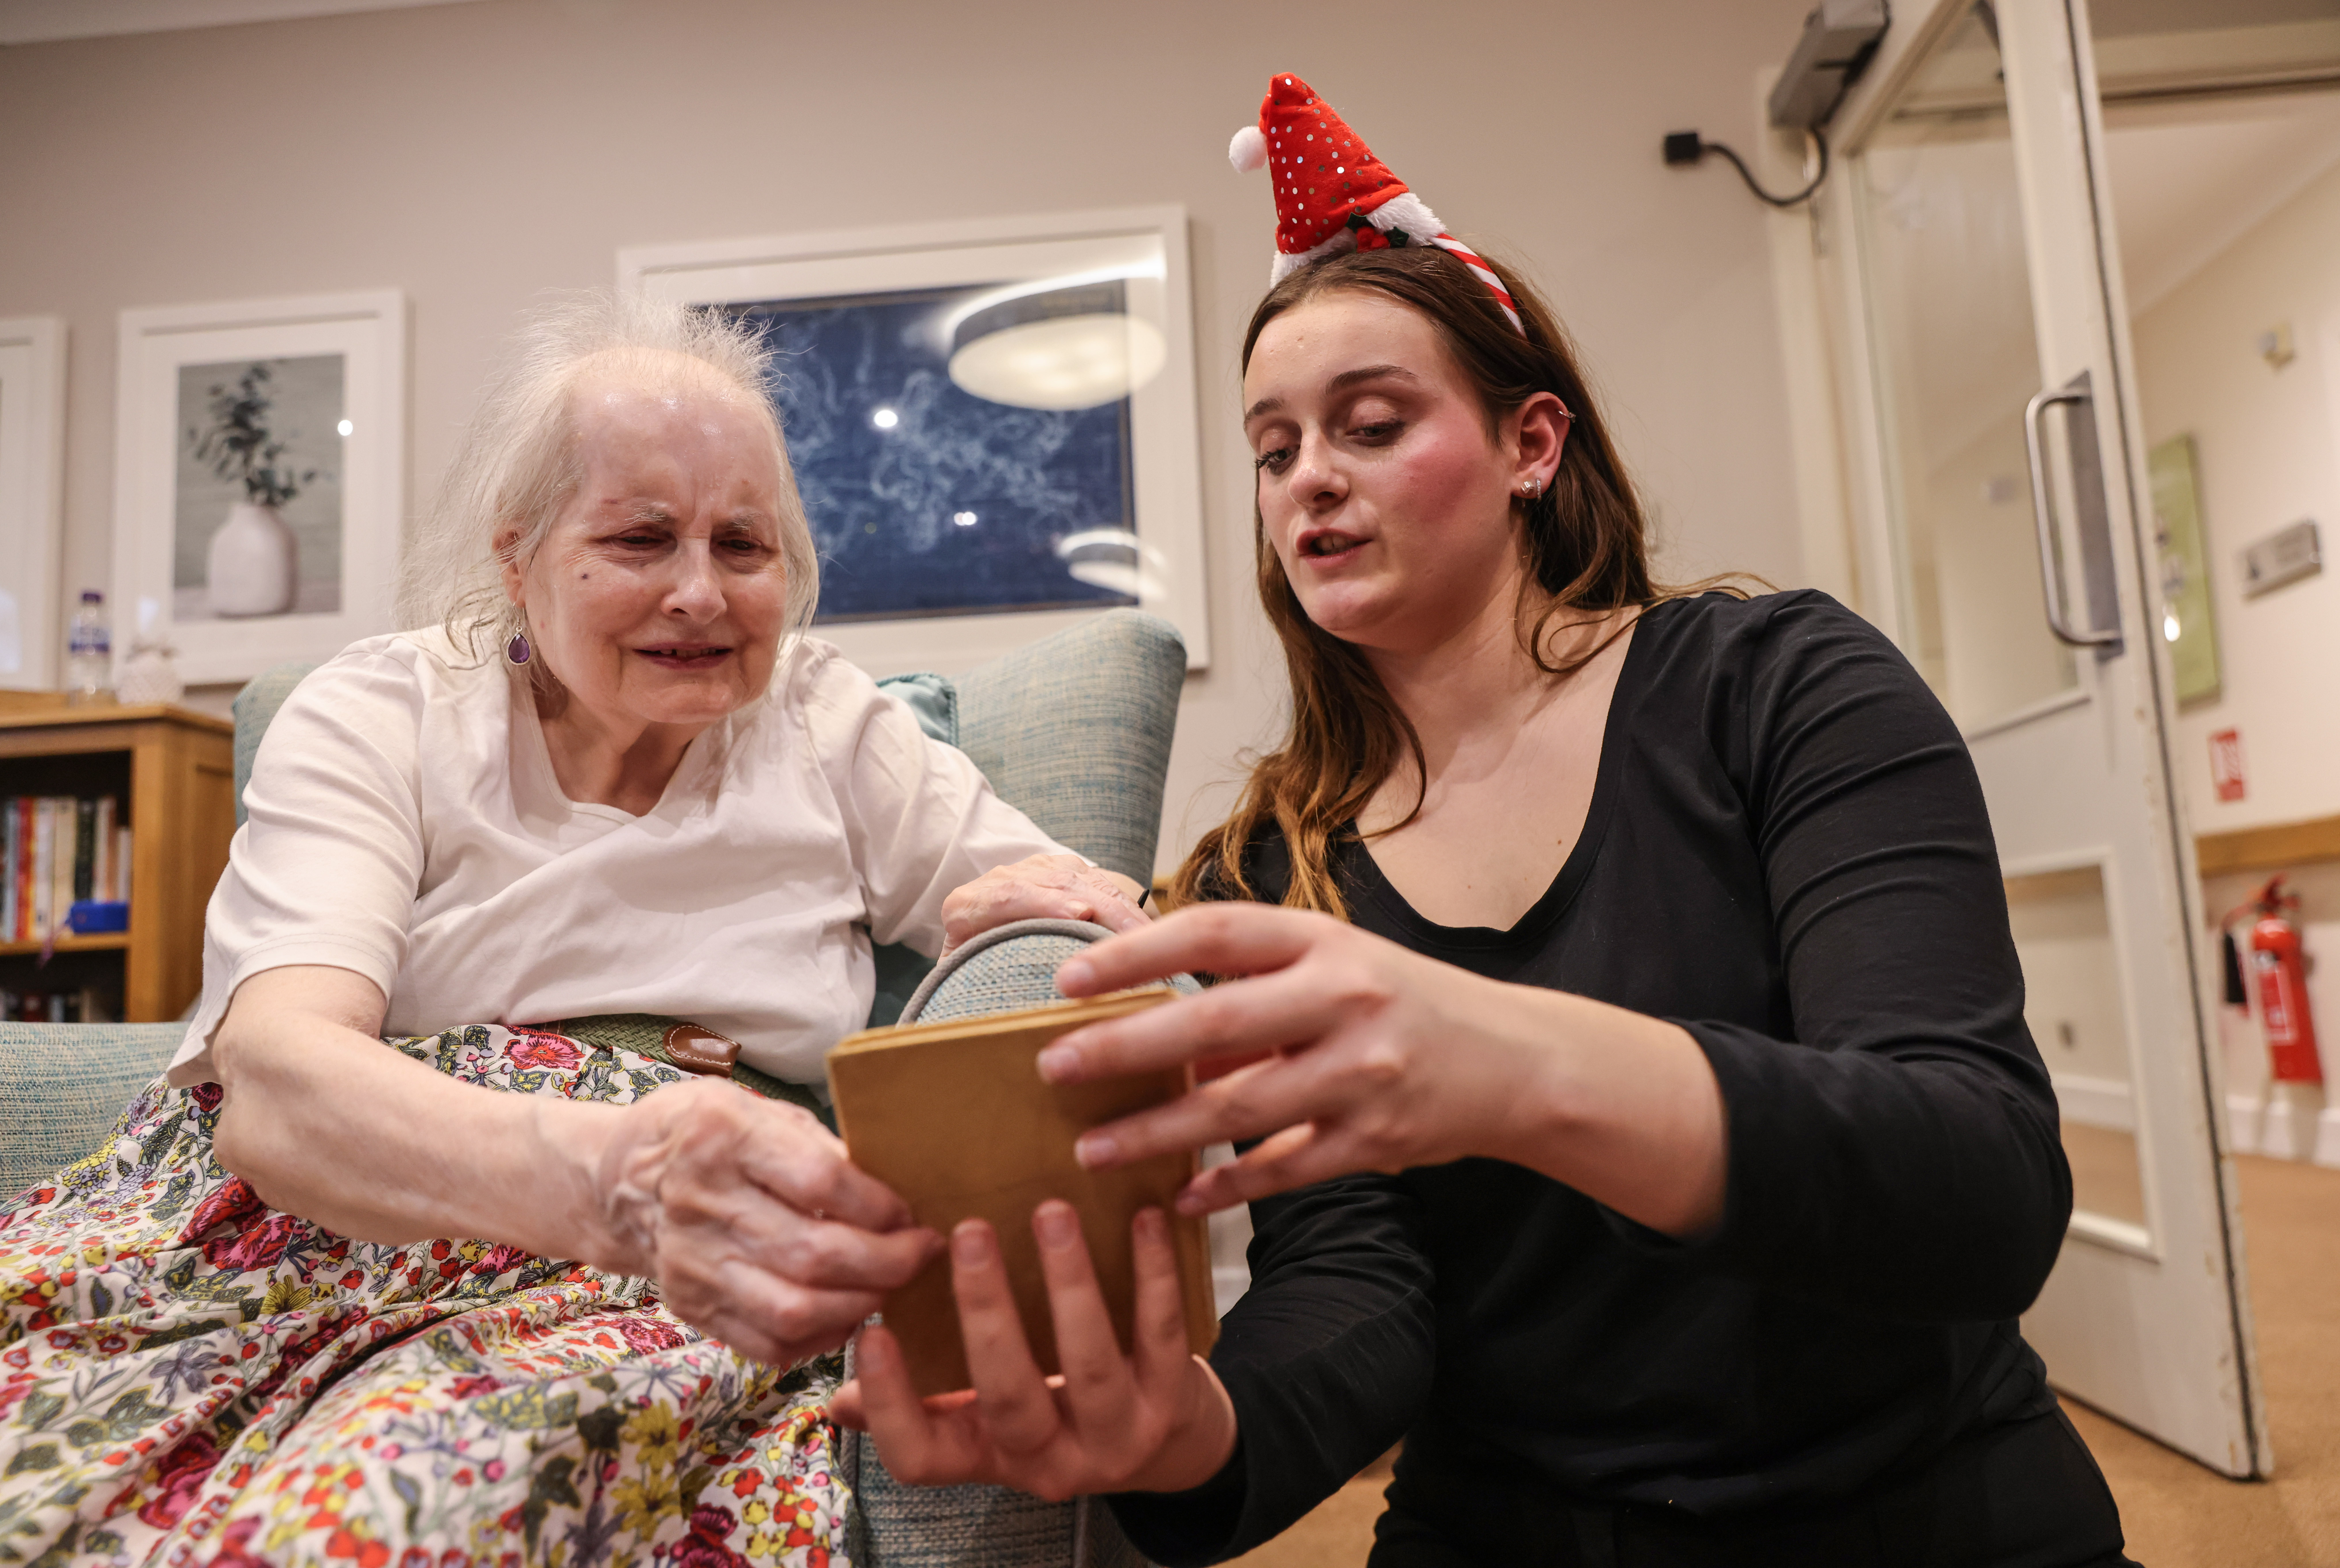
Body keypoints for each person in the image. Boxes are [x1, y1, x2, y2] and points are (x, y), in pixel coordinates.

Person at [841, 76, 2133, 1567]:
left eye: (1372, 422)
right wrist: (1185, 1430)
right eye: (1273, 448)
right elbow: (1360, 1298)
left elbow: (1977, 1184)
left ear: (1533, 444)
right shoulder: (1283, 873)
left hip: (1921, 1507)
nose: (1309, 475)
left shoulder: (1781, 689)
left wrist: (1492, 1060)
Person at [0, 292, 1149, 1565]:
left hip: (659, 1268)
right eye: (641, 539)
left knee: (383, 1512)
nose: (699, 593)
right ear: (517, 556)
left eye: (744, 546)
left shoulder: (827, 724)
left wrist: (1008, 908)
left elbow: (1104, 929)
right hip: (328, 1216)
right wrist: (608, 1174)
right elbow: (277, 1081)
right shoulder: (382, 708)